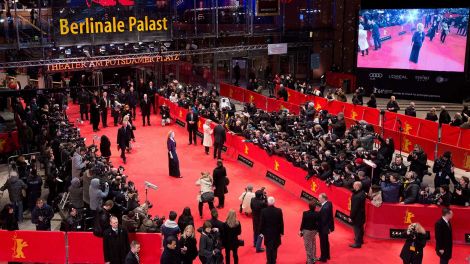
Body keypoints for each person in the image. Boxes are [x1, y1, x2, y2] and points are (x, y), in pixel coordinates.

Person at [259, 196, 284, 264]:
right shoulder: (279, 210)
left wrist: (261, 232)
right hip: (276, 233)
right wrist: (281, 232)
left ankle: (269, 261)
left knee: (268, 248)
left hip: (267, 233)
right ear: (274, 203)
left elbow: (262, 223)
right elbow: (281, 222)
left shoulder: (264, 211)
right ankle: (274, 261)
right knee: (275, 247)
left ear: (267, 203)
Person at [318, 193, 334, 262]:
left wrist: (317, 228)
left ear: (323, 198)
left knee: (323, 243)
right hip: (327, 227)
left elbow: (323, 221)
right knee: (326, 242)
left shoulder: (324, 208)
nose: (318, 199)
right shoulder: (329, 203)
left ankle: (323, 258)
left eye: (319, 198)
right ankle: (327, 255)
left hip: (323, 228)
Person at [350, 182, 366, 248]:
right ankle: (360, 240)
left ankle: (357, 243)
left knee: (357, 229)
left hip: (357, 216)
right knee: (360, 228)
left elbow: (354, 208)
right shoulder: (362, 193)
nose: (353, 186)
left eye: (354, 185)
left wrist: (351, 217)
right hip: (361, 214)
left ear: (357, 186)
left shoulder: (357, 197)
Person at [251, 188, 267, 252]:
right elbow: (266, 205)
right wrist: (265, 197)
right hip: (261, 220)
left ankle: (255, 243)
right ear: (261, 196)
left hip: (254, 218)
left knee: (255, 230)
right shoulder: (262, 203)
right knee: (261, 233)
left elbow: (251, 207)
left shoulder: (252, 200)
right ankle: (258, 248)